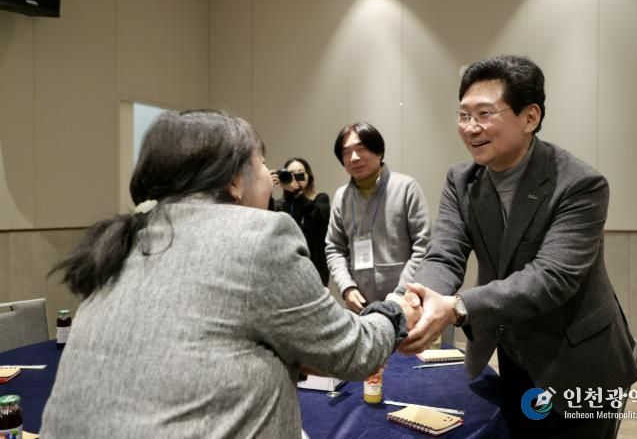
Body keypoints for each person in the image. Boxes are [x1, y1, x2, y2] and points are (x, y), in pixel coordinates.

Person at [40, 110, 420, 438]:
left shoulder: (123, 241)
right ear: (235, 182)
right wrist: (396, 311)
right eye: (263, 164)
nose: (270, 177)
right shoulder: (260, 235)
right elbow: (353, 353)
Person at [398, 56, 637, 438]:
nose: (470, 128)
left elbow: (551, 278)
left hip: (579, 360)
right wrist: (415, 300)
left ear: (530, 117)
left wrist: (457, 308)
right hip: (514, 351)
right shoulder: (461, 181)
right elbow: (444, 254)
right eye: (463, 115)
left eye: (484, 114)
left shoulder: (580, 184)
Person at [325, 122, 431, 313]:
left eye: (361, 149)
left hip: (405, 304)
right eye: (346, 152)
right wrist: (347, 287)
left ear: (379, 151)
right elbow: (334, 248)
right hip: (361, 307)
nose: (354, 157)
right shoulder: (342, 197)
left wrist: (401, 294)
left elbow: (423, 246)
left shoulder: (406, 188)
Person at [271, 157, 330, 286]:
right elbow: (269, 227)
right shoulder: (279, 205)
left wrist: (298, 192)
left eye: (300, 173)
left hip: (314, 270)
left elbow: (319, 221)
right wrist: (268, 189)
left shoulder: (320, 199)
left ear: (309, 176)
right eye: (291, 174)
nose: (295, 178)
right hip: (285, 271)